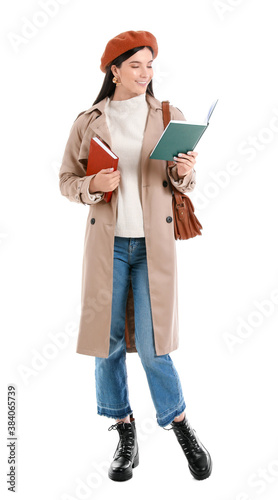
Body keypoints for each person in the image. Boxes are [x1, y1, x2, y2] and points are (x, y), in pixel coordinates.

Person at [59, 30, 212, 483]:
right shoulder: (89, 121)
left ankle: (180, 424)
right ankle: (124, 431)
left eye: (150, 66)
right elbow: (66, 178)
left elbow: (178, 182)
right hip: (108, 248)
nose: (146, 74)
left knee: (153, 347)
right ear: (114, 71)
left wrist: (185, 172)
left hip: (152, 248)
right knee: (105, 347)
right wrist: (93, 187)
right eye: (136, 66)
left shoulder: (168, 115)